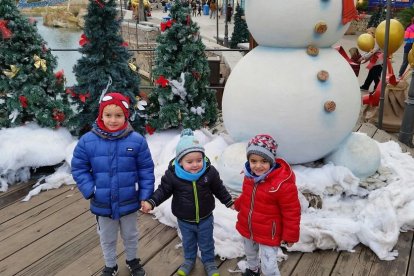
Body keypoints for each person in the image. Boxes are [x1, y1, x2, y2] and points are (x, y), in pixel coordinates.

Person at [71, 92, 155, 276]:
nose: (113, 120)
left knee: (130, 235)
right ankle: (110, 265)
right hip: (102, 201)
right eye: (108, 115)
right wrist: (90, 188)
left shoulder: (136, 141)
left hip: (129, 200)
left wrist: (145, 195)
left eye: (118, 115)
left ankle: (132, 260)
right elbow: (78, 167)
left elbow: (146, 170)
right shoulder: (88, 141)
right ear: (100, 115)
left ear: (126, 116)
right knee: (107, 237)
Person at [141, 129, 234, 276]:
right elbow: (163, 191)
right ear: (180, 161)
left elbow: (219, 189)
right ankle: (189, 261)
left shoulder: (209, 173)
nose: (195, 164)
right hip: (184, 219)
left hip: (205, 217)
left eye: (199, 160)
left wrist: (229, 202)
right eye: (189, 161)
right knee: (188, 242)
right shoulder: (173, 176)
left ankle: (209, 262)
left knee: (206, 242)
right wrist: (151, 202)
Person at [233, 134, 301, 276]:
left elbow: (292, 211)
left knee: (269, 266)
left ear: (271, 161)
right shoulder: (249, 176)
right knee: (250, 254)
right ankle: (253, 270)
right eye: (253, 161)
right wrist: (238, 204)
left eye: (264, 161)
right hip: (249, 226)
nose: (258, 166)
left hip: (269, 233)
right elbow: (247, 195)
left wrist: (290, 235)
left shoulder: (281, 184)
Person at [359, 27, 383, 93]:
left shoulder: (376, 41)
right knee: (371, 74)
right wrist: (362, 56)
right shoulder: (371, 40)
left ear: (373, 33)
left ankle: (377, 89)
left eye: (368, 32)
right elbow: (368, 50)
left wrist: (363, 57)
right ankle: (365, 86)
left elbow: (372, 51)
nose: (367, 34)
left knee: (376, 76)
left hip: (379, 62)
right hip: (374, 61)